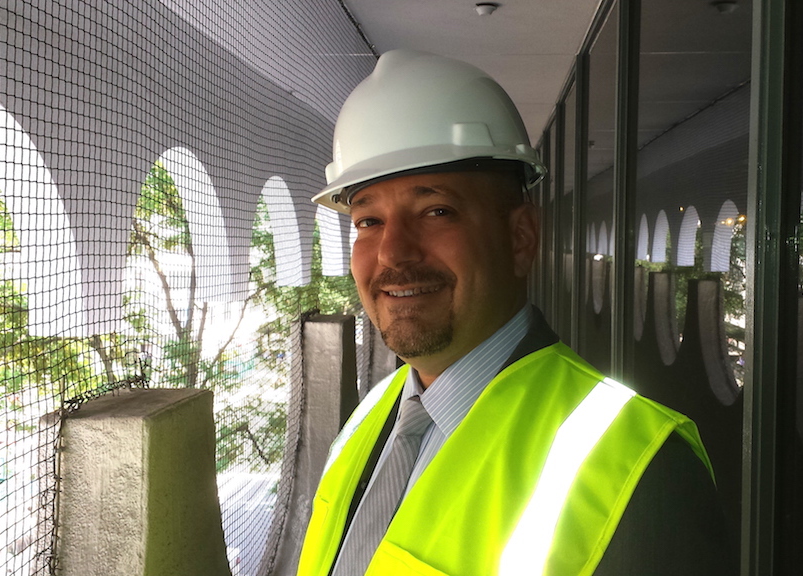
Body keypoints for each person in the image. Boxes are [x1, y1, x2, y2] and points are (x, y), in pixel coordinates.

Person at [297, 49, 731, 576]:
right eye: (368, 221)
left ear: (520, 238)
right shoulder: (369, 417)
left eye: (437, 211)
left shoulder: (640, 469)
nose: (392, 254)